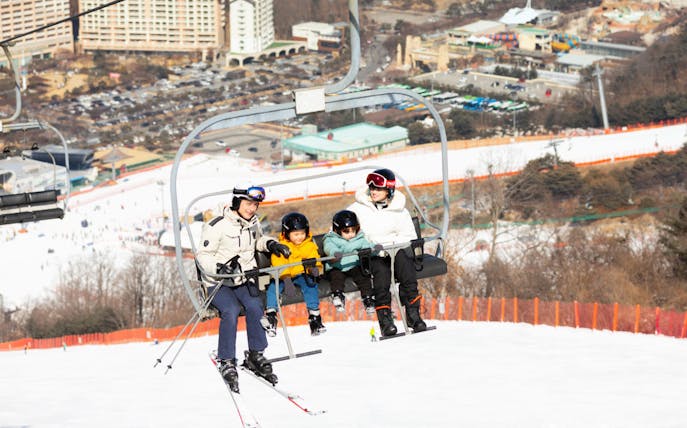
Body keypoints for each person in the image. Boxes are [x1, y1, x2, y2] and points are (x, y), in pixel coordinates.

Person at [196, 186, 291, 392]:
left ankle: (256, 354)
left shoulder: (253, 223)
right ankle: (227, 359)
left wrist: (272, 245)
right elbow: (202, 255)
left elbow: (258, 241)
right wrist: (219, 268)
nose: (252, 209)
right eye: (248, 204)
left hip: (242, 279)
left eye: (255, 205)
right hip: (219, 281)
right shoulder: (217, 226)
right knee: (229, 311)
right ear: (237, 203)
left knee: (255, 307)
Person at [348, 168, 427, 337]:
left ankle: (413, 315)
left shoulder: (400, 210)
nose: (374, 192)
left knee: (406, 269)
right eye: (372, 188)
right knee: (381, 276)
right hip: (372, 253)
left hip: (395, 249)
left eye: (378, 189)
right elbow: (340, 230)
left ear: (389, 190)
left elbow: (409, 235)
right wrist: (368, 246)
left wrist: (392, 246)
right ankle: (385, 321)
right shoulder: (357, 208)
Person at [263, 212, 326, 336]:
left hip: (301, 275)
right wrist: (286, 279)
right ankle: (271, 315)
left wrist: (314, 269)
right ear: (287, 233)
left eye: (302, 233)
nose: (300, 237)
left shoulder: (308, 245)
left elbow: (314, 258)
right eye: (296, 234)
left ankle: (315, 317)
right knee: (272, 288)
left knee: (311, 285)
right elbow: (278, 264)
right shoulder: (282, 247)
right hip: (283, 277)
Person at [322, 210, 376, 314]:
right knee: (336, 277)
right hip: (338, 265)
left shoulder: (359, 239)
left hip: (354, 265)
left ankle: (368, 298)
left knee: (363, 276)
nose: (351, 234)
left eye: (353, 230)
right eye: (346, 231)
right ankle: (337, 295)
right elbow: (329, 247)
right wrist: (334, 253)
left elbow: (367, 246)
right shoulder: (331, 239)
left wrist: (375, 249)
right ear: (337, 231)